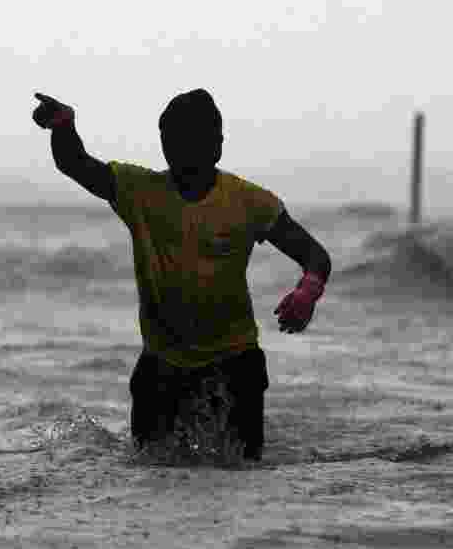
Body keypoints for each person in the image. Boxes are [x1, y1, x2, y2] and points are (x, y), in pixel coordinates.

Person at [32, 88, 332, 461]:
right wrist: (63, 126)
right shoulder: (140, 190)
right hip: (162, 365)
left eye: (193, 139)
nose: (180, 149)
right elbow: (76, 164)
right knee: (151, 471)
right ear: (164, 144)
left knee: (242, 472)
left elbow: (315, 256)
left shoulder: (249, 202)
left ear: (217, 145)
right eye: (172, 140)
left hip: (234, 363)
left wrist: (308, 292)